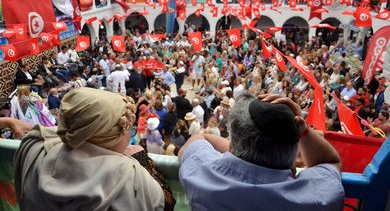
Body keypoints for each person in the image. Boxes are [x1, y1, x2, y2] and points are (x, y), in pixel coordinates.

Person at [179, 93, 343, 210]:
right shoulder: (318, 199)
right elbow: (329, 162)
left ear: (232, 145)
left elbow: (199, 139)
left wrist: (239, 147)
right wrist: (303, 129)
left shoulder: (202, 175)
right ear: (294, 154)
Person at [15, 88, 166, 210]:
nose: (130, 134)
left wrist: (9, 121)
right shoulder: (130, 177)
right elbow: (164, 202)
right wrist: (141, 160)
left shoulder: (34, 148)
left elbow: (52, 132)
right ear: (109, 138)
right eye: (129, 130)